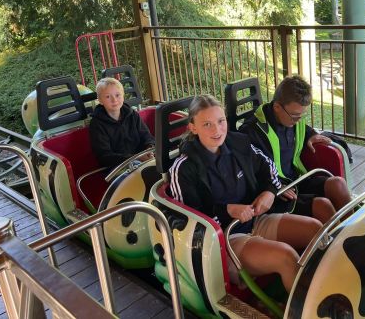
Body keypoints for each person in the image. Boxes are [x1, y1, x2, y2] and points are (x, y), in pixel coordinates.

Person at [168, 95, 321, 292]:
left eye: (221, 121)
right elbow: (188, 222)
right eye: (207, 124)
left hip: (256, 219)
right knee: (286, 257)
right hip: (224, 238)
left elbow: (268, 166)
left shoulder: (238, 143)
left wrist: (269, 192)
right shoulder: (183, 168)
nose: (217, 130)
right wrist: (227, 210)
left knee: (316, 231)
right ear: (193, 128)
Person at [240, 75, 351, 223]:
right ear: (277, 107)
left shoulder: (290, 120)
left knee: (338, 184)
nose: (298, 121)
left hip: (296, 180)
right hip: (277, 191)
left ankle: (354, 228)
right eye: (295, 116)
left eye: (301, 115)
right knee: (323, 206)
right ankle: (341, 237)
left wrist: (311, 134)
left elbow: (302, 128)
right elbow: (251, 171)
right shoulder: (251, 132)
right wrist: (274, 187)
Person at [89, 77, 155, 169]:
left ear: (123, 96)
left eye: (117, 95)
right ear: (100, 100)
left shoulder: (133, 115)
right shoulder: (97, 124)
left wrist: (149, 149)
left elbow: (147, 136)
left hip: (142, 159)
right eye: (108, 97)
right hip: (117, 167)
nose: (114, 100)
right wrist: (135, 158)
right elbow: (104, 156)